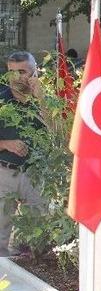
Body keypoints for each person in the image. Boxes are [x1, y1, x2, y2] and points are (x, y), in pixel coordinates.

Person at [0, 51, 44, 256]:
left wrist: (42, 100)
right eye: (11, 72)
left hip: (36, 174)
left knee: (34, 236)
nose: (16, 78)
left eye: (22, 72)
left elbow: (61, 134)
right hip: (4, 173)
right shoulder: (1, 100)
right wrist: (6, 144)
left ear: (35, 73)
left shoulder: (45, 102)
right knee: (1, 231)